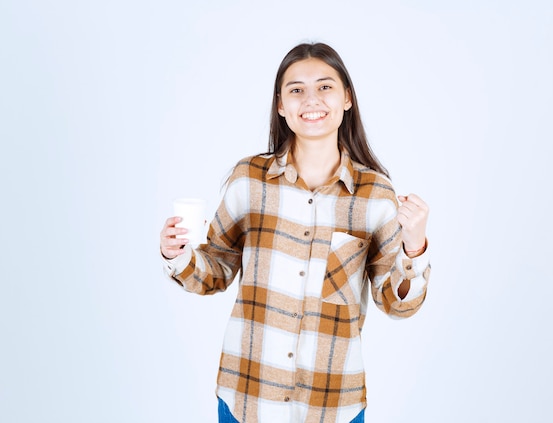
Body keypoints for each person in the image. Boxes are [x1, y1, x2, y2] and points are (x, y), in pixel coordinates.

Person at [160, 42, 431, 423]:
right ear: (281, 105)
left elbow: (397, 304)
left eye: (325, 87)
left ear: (347, 98)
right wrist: (180, 254)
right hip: (247, 400)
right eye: (296, 90)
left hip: (333, 405)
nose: (311, 100)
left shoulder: (376, 196)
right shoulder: (249, 181)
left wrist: (415, 245)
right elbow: (215, 271)